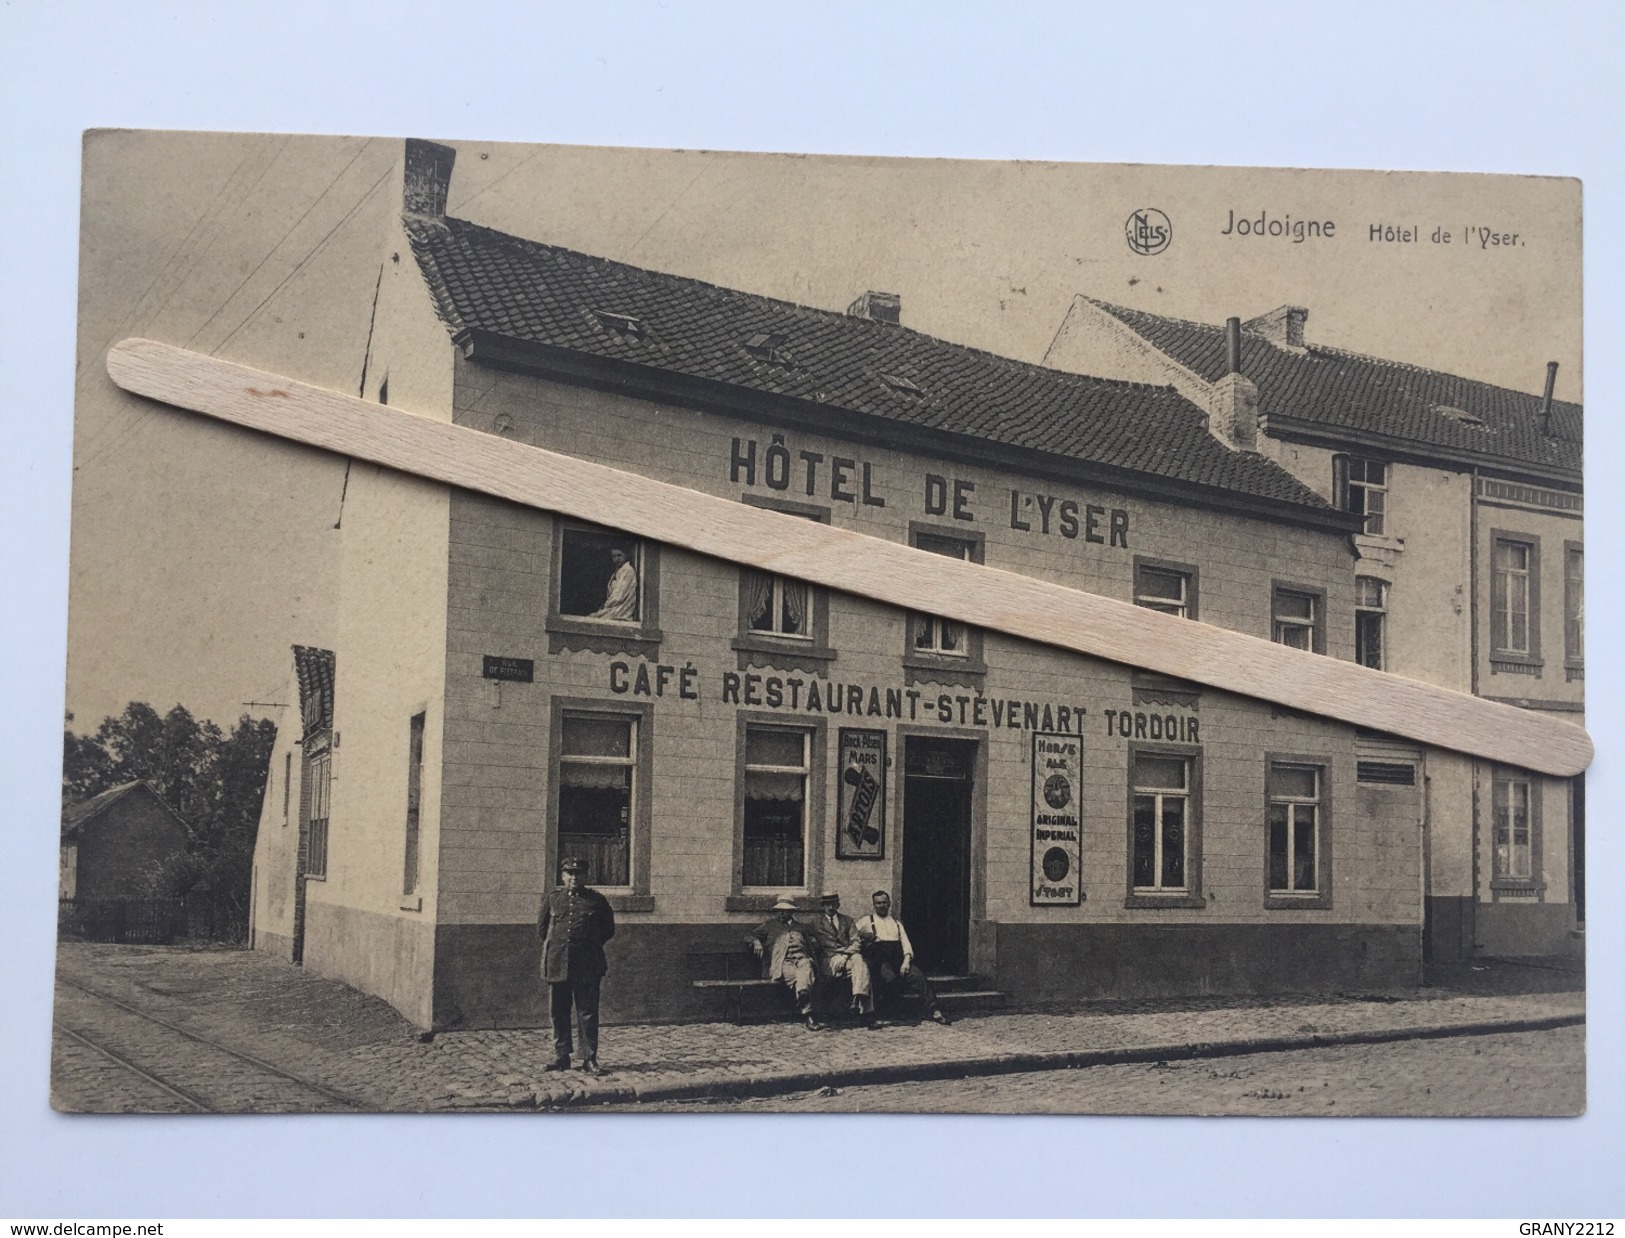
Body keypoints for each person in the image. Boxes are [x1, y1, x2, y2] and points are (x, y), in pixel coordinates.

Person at [537, 856, 617, 1074]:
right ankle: (561, 1056)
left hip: (587, 964)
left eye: (578, 873)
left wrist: (587, 946)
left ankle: (589, 1058)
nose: (574, 877)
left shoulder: (596, 901)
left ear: (585, 876)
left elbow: (608, 930)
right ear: (562, 876)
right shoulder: (553, 900)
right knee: (558, 1011)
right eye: (569, 873)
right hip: (558, 963)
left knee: (587, 1012)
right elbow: (543, 929)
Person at [855, 889, 950, 1025]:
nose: (882, 905)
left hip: (899, 959)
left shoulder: (897, 923)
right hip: (882, 961)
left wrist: (906, 962)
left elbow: (906, 944)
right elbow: (852, 934)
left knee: (919, 977)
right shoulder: (866, 921)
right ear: (874, 905)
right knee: (889, 979)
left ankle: (935, 1010)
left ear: (889, 904)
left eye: (884, 902)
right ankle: (887, 1012)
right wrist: (864, 937)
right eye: (878, 903)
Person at [750, 896, 823, 1031]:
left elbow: (816, 942)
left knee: (806, 966)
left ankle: (803, 996)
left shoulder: (802, 927)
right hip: (783, 963)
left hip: (802, 959)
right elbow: (751, 935)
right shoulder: (769, 925)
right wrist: (756, 941)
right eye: (779, 911)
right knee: (801, 979)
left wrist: (813, 942)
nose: (780, 914)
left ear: (791, 912)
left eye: (784, 911)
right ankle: (808, 1014)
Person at [808, 891, 877, 1028]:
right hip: (829, 959)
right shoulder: (815, 924)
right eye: (827, 904)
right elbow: (807, 940)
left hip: (848, 957)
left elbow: (856, 942)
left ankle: (857, 999)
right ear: (823, 906)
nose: (830, 907)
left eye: (833, 903)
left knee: (860, 963)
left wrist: (845, 956)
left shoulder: (848, 921)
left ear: (838, 904)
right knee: (862, 971)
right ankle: (864, 1011)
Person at [590, 547, 639, 620]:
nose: (616, 559)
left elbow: (618, 595)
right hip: (613, 607)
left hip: (621, 610)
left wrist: (606, 605)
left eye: (619, 555)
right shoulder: (618, 571)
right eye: (614, 556)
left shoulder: (628, 571)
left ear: (626, 555)